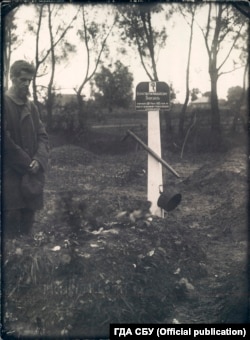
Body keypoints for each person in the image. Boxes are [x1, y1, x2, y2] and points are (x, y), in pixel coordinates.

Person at [2, 60, 49, 239]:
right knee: (11, 220)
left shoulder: (32, 107)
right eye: (22, 79)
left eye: (29, 80)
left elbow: (43, 136)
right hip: (9, 174)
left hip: (31, 175)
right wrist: (26, 162)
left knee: (28, 220)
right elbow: (4, 140)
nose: (26, 84)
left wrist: (38, 159)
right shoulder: (4, 103)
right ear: (12, 78)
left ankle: (26, 263)